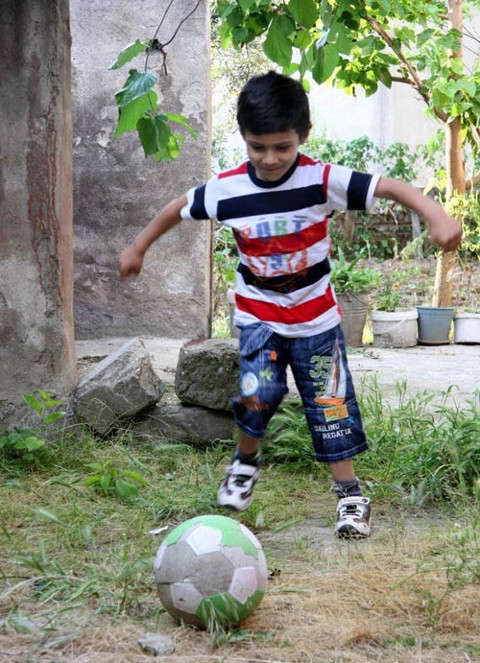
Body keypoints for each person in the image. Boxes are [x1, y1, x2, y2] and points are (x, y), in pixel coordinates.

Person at [119, 71, 462, 538]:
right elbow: (175, 210)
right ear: (244, 137)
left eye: (282, 147)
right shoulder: (228, 189)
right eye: (257, 147)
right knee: (258, 393)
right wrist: (138, 248)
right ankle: (245, 461)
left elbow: (391, 187)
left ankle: (350, 495)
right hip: (259, 314)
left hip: (316, 319)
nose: (270, 158)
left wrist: (437, 215)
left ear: (304, 135)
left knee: (330, 403)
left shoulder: (322, 180)